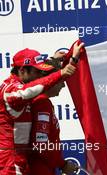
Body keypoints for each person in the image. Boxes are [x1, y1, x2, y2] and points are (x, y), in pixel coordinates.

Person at [0, 42, 84, 175]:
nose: (40, 76)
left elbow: (34, 83)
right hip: (9, 165)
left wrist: (55, 60)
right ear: (22, 70)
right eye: (37, 71)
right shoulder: (11, 90)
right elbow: (29, 90)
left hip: (18, 163)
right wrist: (61, 73)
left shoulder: (22, 87)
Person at [29, 58, 78, 175]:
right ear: (51, 80)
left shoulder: (42, 102)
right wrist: (63, 164)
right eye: (61, 80)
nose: (64, 85)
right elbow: (40, 145)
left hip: (45, 168)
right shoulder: (41, 104)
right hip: (40, 170)